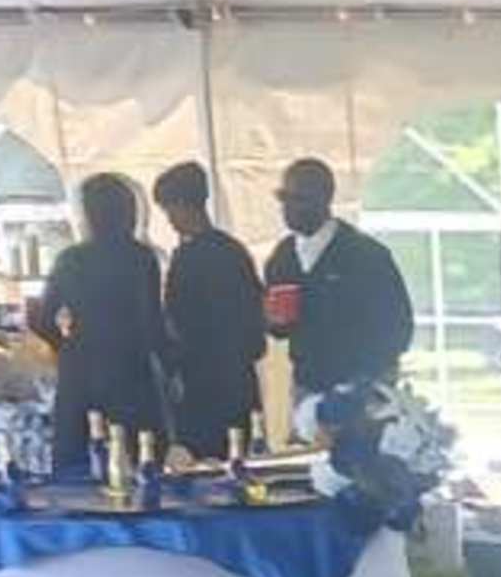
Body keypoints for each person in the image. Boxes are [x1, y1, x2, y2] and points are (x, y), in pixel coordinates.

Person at [34, 170, 169, 476]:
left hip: (81, 368)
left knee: (77, 463)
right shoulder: (140, 258)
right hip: (130, 369)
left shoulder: (70, 259)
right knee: (139, 460)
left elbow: (42, 318)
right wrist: (171, 366)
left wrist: (66, 345)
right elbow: (152, 322)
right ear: (128, 212)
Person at [261, 158, 413, 410]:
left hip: (362, 387)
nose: (288, 208)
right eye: (283, 198)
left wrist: (371, 379)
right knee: (310, 449)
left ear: (325, 199)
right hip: (307, 387)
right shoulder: (283, 257)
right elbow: (279, 330)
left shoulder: (365, 255)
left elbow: (398, 327)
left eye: (299, 199)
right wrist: (272, 321)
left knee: (359, 449)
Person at [151, 160, 267, 455]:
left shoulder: (187, 260)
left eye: (169, 211)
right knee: (242, 460)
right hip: (239, 379)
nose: (169, 220)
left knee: (203, 465)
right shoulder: (234, 251)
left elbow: (176, 320)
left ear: (180, 206)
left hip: (201, 383)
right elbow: (257, 312)